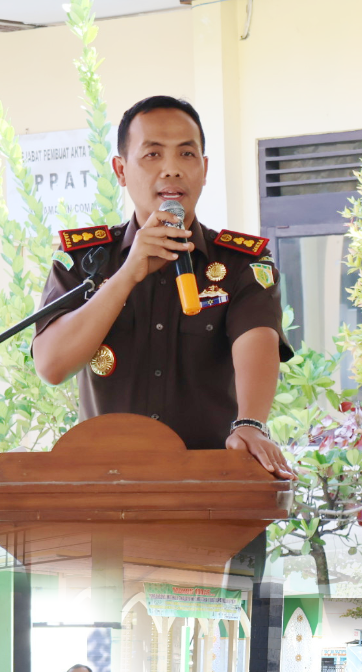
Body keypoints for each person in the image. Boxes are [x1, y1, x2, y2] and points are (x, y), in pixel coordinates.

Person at [31, 95, 294, 479]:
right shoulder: (86, 260)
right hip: (108, 489)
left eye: (186, 154)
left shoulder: (241, 264)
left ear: (204, 168)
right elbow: (52, 366)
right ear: (121, 170)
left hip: (211, 487)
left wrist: (251, 423)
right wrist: (127, 274)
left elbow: (258, 341)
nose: (172, 169)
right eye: (152, 154)